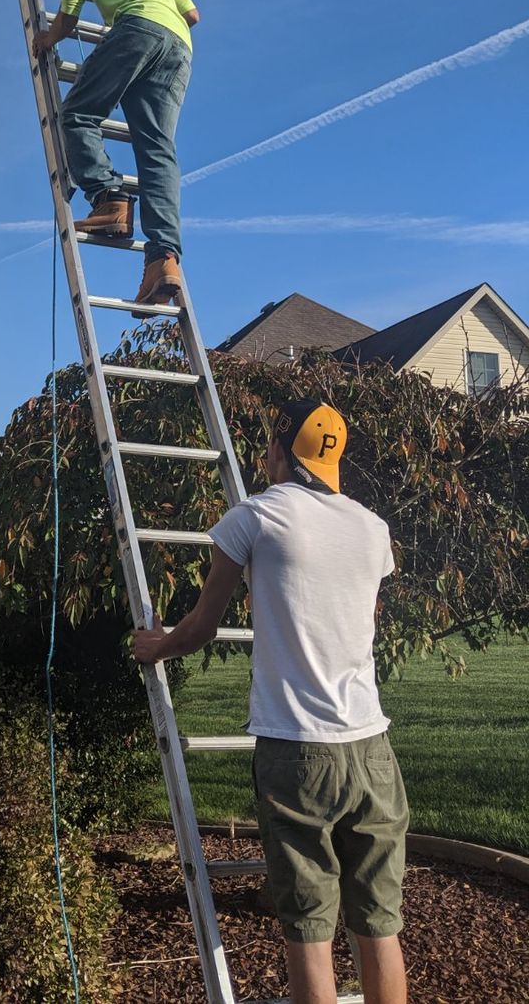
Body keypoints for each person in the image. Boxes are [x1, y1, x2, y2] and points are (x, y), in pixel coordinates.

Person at [133, 398, 409, 1004]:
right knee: (379, 925)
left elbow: (202, 628)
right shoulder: (372, 528)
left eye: (269, 446)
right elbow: (359, 617)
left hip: (298, 753)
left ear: (284, 451)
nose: (263, 455)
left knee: (310, 928)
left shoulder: (255, 517)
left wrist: (156, 646)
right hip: (372, 749)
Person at [31, 0, 198, 307]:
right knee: (158, 151)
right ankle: (163, 259)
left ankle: (111, 200)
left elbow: (70, 7)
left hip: (137, 29)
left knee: (78, 114)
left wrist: (48, 38)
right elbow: (192, 13)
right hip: (179, 46)